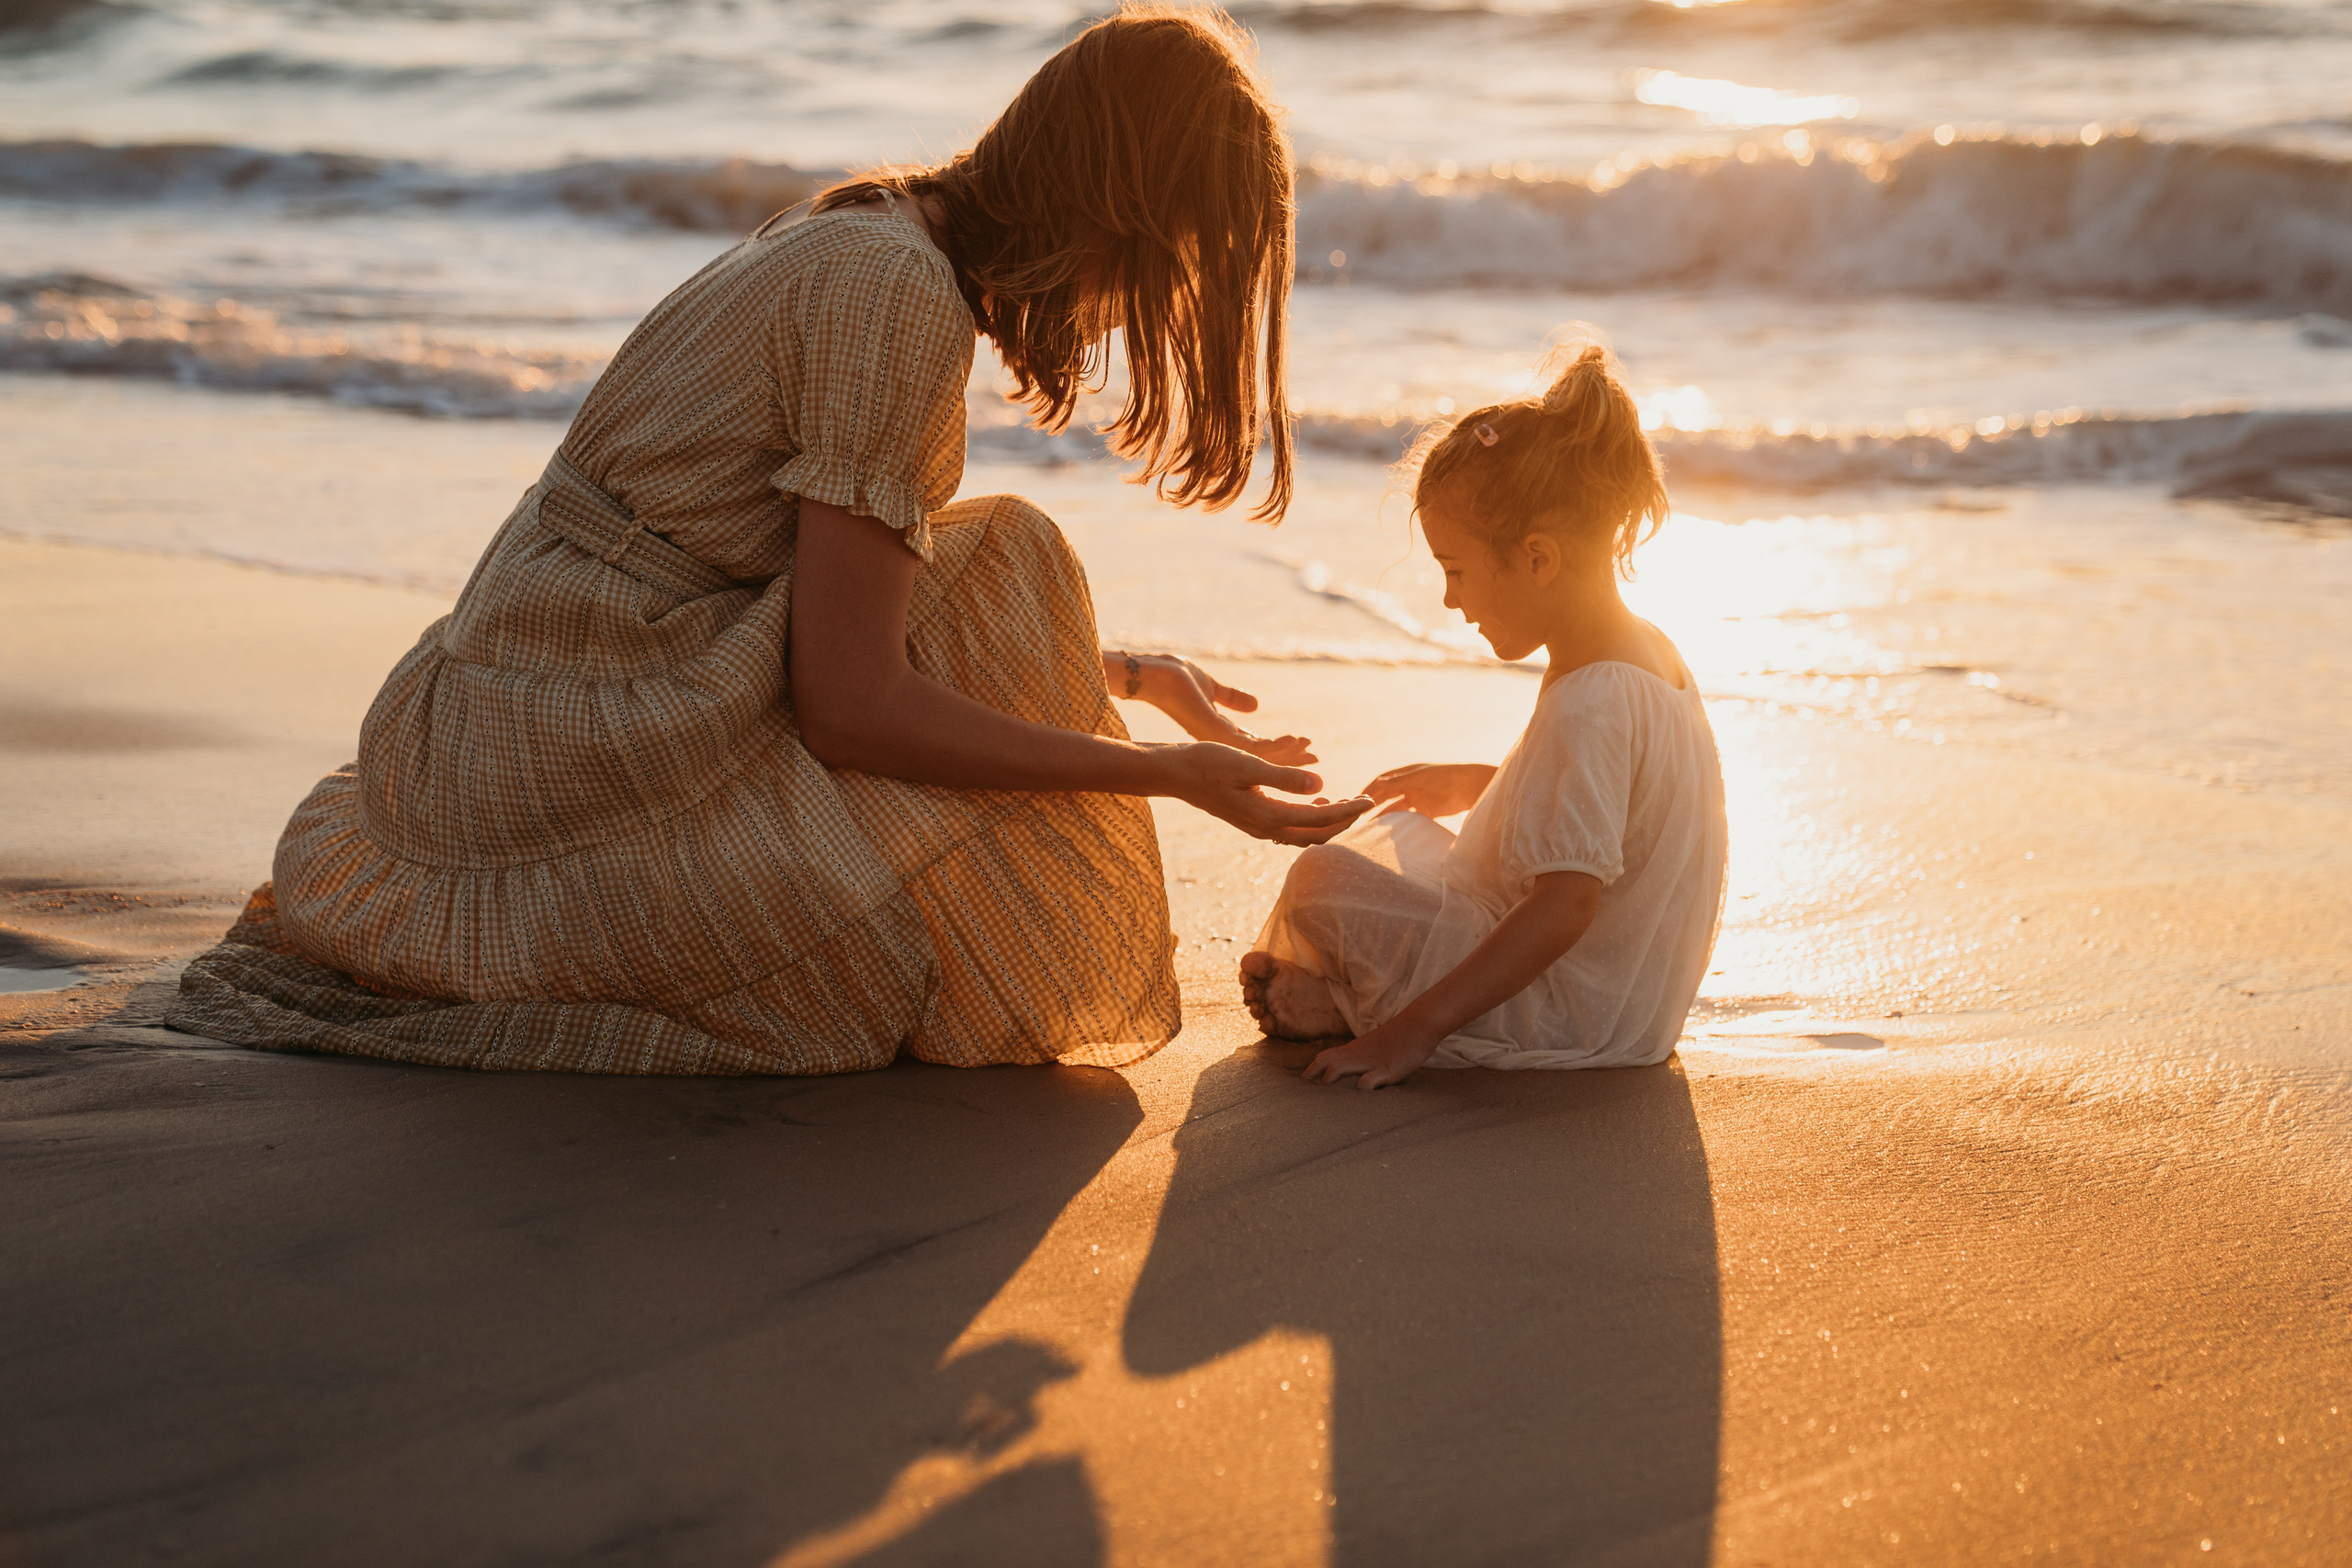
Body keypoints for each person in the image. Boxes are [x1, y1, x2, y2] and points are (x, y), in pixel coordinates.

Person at [166, 5, 1370, 1077]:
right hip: (577, 719)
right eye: (1184, 262)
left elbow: (836, 613)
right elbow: (848, 699)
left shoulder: (870, 226)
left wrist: (1135, 682)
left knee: (1006, 566)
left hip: (524, 677)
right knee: (866, 966)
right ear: (1123, 213)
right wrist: (1169, 776)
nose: (1153, 306)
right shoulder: (898, 295)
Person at [1238, 343, 1729, 1088]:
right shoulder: (1644, 649)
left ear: (1538, 557)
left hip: (1573, 1010)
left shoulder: (1590, 697)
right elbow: (1621, 804)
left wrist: (1411, 1035)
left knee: (1324, 879)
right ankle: (1363, 995)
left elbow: (1565, 905)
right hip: (1629, 991)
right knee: (1396, 822)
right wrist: (1480, 782)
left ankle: (1361, 1006)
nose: (1449, 600)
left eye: (1456, 571)